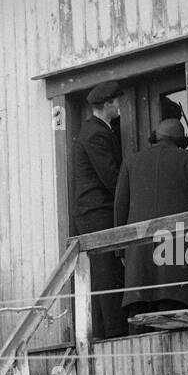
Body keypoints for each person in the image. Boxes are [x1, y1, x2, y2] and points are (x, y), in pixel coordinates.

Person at [114, 117, 188, 319]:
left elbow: (120, 208)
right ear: (181, 140)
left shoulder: (131, 162)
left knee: (139, 329)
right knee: (176, 326)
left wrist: (121, 251)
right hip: (176, 261)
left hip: (138, 264)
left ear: (155, 137)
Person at [71, 80, 125, 338]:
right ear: (107, 104)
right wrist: (129, 197)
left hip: (96, 211)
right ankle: (110, 333)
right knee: (106, 273)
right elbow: (110, 175)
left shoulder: (97, 130)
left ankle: (107, 330)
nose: (120, 107)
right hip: (97, 212)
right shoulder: (96, 133)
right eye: (117, 102)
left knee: (105, 272)